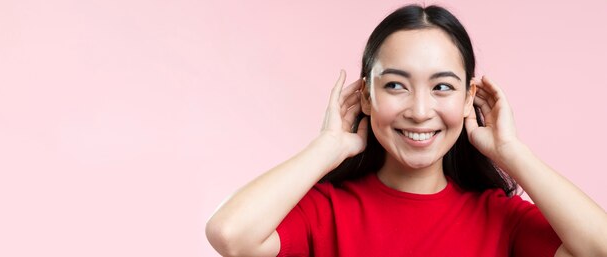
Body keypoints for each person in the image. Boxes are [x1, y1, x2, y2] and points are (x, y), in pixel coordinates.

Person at [205, 4, 607, 257]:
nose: (419, 111)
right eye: (395, 84)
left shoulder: (500, 217)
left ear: (469, 99)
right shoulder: (325, 211)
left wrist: (512, 152)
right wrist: (325, 148)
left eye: (442, 87)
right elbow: (230, 235)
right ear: (365, 96)